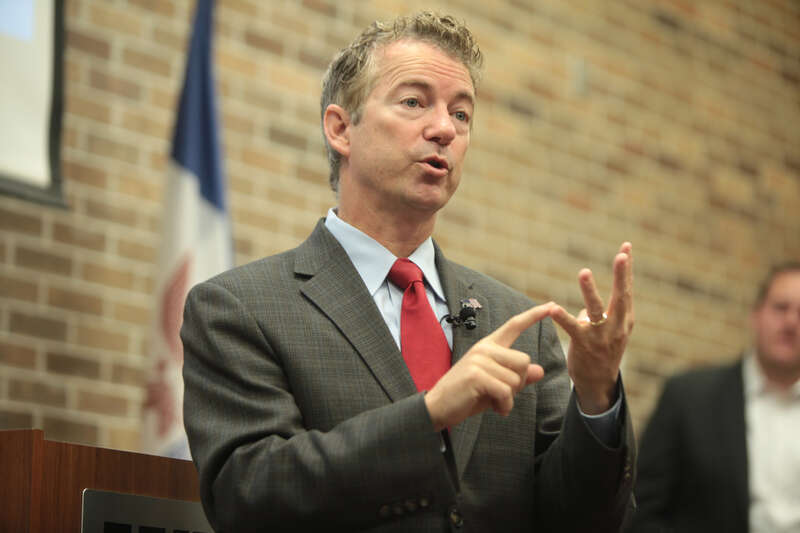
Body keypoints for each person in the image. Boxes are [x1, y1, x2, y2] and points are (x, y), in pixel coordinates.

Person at [181, 12, 636, 533]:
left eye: (462, 115)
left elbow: (584, 522)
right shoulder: (241, 308)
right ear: (340, 129)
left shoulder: (520, 324)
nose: (444, 128)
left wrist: (598, 398)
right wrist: (429, 415)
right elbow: (249, 495)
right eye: (414, 102)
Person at [628, 262, 800, 533]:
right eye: (781, 308)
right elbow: (641, 510)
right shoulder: (688, 398)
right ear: (756, 315)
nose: (791, 322)